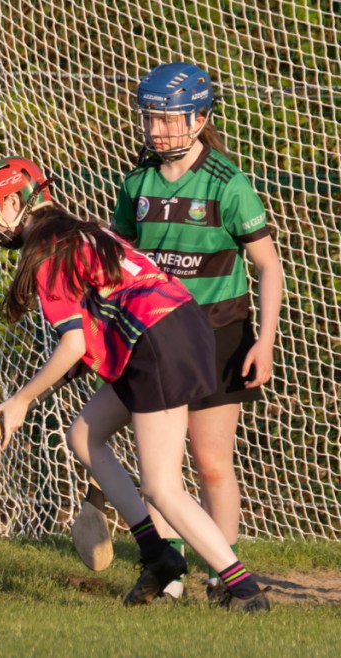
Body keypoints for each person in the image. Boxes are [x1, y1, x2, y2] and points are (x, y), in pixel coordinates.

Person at [0, 156, 269, 612]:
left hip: (157, 341)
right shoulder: (83, 230)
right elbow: (101, 319)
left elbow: (72, 343)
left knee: (162, 488)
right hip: (181, 327)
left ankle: (243, 589)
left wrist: (22, 399)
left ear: (13, 202)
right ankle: (157, 557)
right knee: (84, 435)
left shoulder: (47, 251)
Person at [111, 62, 283, 602]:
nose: (157, 130)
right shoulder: (136, 183)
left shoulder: (227, 183)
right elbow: (120, 264)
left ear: (200, 118)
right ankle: (169, 573)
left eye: (169, 119)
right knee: (160, 468)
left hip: (219, 335)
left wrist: (265, 341)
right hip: (156, 337)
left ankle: (221, 574)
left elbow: (269, 266)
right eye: (150, 118)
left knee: (211, 463)